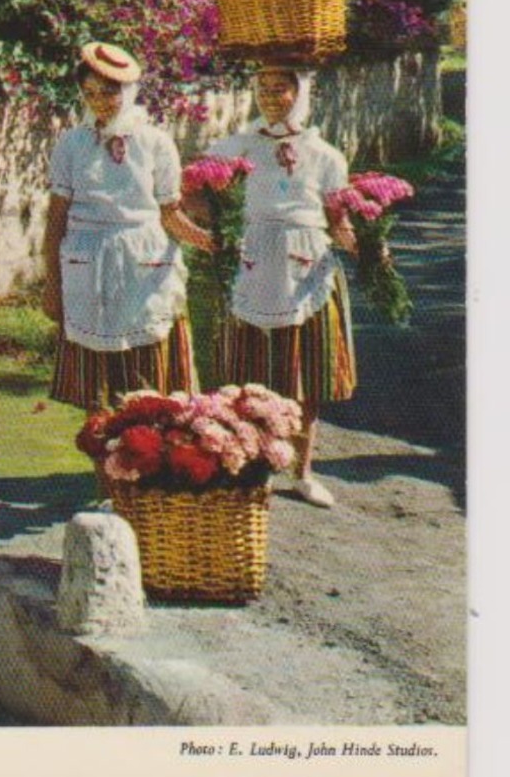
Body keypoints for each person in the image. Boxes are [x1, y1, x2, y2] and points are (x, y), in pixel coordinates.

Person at [205, 65, 358, 508]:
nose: (272, 98)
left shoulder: (326, 155)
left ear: (301, 91)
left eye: (282, 89)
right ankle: (254, 466)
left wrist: (367, 243)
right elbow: (200, 194)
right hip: (253, 262)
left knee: (306, 374)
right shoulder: (234, 146)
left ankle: (303, 472)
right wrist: (211, 225)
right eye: (264, 89)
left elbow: (337, 219)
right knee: (250, 371)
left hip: (307, 266)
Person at [44, 42, 214, 421]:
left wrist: (208, 239)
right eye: (90, 94)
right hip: (88, 265)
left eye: (109, 92)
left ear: (129, 92)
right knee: (97, 389)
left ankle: (147, 470)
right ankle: (106, 474)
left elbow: (170, 214)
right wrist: (52, 284)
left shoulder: (155, 143)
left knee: (149, 379)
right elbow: (56, 220)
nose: (100, 102)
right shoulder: (71, 144)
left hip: (145, 264)